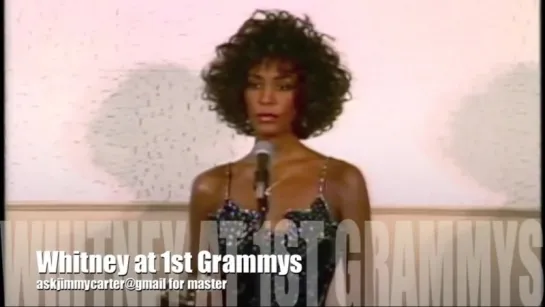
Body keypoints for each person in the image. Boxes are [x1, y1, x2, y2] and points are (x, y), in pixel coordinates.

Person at [170, 9, 372, 307]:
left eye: (283, 86)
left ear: (305, 94)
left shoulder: (341, 181)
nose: (266, 98)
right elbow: (194, 291)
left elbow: (361, 294)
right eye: (254, 84)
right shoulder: (210, 188)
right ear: (238, 92)